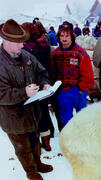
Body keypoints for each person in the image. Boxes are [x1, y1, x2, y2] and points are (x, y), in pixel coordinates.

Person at [0, 19, 53, 180]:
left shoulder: (26, 56)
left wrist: (44, 84)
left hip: (32, 112)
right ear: (7, 41)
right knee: (22, 146)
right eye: (18, 43)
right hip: (13, 117)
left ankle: (38, 163)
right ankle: (30, 170)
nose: (22, 46)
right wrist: (24, 93)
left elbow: (41, 72)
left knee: (34, 141)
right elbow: (2, 94)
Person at [50, 21, 94, 126]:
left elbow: (88, 75)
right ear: (58, 36)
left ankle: (83, 140)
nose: (64, 38)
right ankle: (70, 140)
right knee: (67, 122)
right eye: (61, 35)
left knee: (82, 120)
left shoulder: (80, 53)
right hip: (63, 92)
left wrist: (80, 88)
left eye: (67, 36)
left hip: (78, 91)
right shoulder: (55, 54)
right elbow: (52, 73)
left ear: (72, 36)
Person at [22, 21, 55, 152]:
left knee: (33, 116)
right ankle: (46, 142)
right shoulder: (44, 46)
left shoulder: (26, 50)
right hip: (43, 83)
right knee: (43, 114)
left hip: (30, 86)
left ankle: (36, 144)